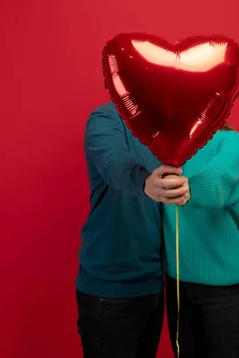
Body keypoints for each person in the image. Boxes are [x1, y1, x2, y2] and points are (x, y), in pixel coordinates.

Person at [76, 101, 190, 358]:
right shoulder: (106, 118)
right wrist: (145, 182)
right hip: (109, 289)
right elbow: (112, 162)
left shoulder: (165, 127)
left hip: (154, 285)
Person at [163, 123, 239, 358]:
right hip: (177, 284)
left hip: (223, 290)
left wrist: (183, 190)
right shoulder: (162, 143)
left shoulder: (232, 142)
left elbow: (217, 182)